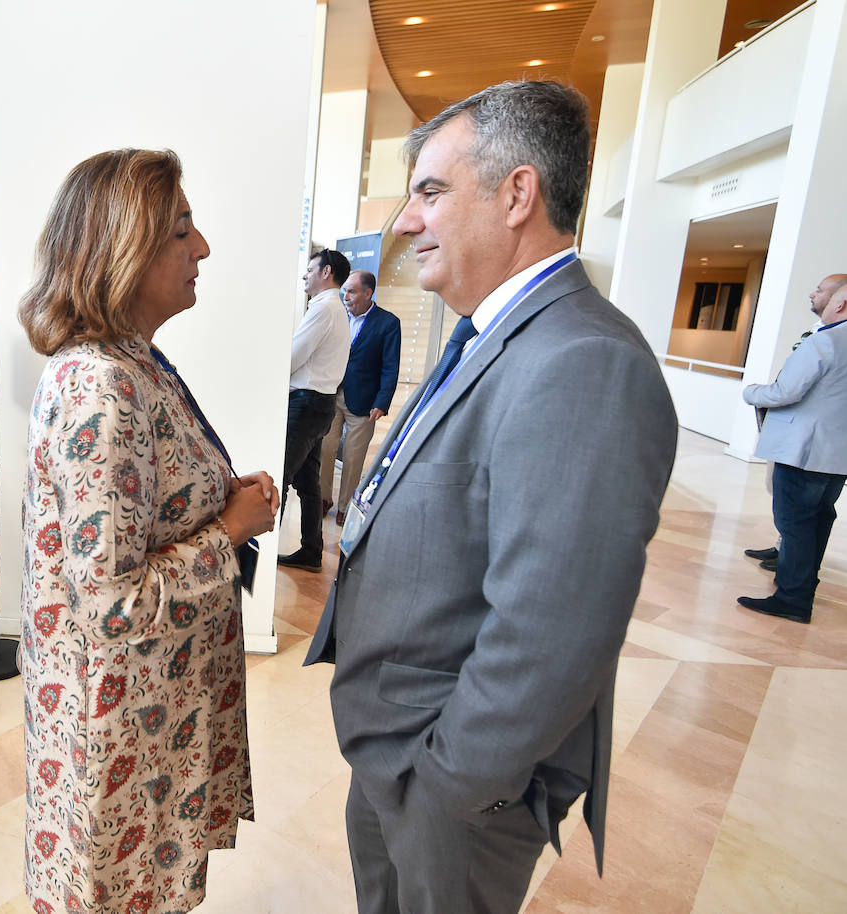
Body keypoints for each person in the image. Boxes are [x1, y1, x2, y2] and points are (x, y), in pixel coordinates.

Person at [304, 81, 678, 913]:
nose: (405, 221)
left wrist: (448, 782)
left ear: (517, 194)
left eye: (430, 191)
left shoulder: (583, 362)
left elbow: (552, 629)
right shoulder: (496, 333)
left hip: (455, 783)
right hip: (400, 751)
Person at [19, 148, 279, 914]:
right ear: (123, 249)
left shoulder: (133, 364)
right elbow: (113, 602)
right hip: (124, 730)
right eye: (181, 231)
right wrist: (229, 529)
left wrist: (213, 497)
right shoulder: (105, 386)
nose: (202, 249)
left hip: (149, 718)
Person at [738, 282, 847, 624]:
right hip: (837, 454)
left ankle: (792, 599)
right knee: (818, 519)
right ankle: (804, 583)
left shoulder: (827, 340)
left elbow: (787, 391)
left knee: (795, 522)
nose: (819, 297)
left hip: (805, 450)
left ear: (842, 303)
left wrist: (752, 392)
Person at [276, 248, 352, 572]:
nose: (305, 275)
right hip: (320, 405)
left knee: (280, 476)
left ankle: (262, 555)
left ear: (327, 272)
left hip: (306, 404)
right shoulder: (334, 308)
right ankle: (311, 550)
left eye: (310, 269)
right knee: (308, 483)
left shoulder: (324, 309)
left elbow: (294, 356)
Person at [318, 269, 401, 526]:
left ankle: (345, 507)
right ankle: (322, 500)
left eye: (352, 291)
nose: (346, 296)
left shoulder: (388, 323)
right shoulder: (337, 316)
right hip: (332, 394)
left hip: (364, 402)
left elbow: (390, 366)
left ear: (368, 293)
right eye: (345, 290)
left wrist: (382, 401)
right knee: (325, 448)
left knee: (353, 458)